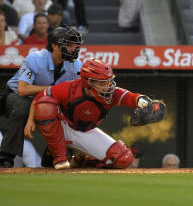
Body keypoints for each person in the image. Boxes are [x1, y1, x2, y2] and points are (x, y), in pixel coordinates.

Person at [24, 59, 166, 169]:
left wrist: (146, 102)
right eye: (102, 83)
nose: (108, 86)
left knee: (123, 158)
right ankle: (60, 158)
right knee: (45, 106)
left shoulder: (112, 93)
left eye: (109, 81)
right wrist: (30, 121)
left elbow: (131, 97)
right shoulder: (69, 88)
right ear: (88, 82)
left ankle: (81, 160)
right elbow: (40, 98)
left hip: (85, 131)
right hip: (63, 127)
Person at [0, 26, 83, 168]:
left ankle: (58, 156)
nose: (73, 49)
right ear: (55, 46)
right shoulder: (35, 58)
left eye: (74, 45)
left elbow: (76, 94)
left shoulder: (76, 66)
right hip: (12, 97)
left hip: (47, 101)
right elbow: (22, 89)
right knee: (23, 106)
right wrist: (53, 90)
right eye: (68, 45)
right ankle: (6, 156)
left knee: (72, 109)